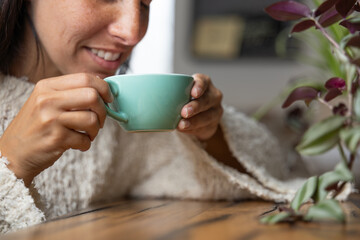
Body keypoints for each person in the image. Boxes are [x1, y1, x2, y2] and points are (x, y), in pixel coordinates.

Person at [0, 0, 307, 234]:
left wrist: (211, 131)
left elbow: (275, 164)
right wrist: (11, 161)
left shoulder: (117, 121)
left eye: (146, 4)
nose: (133, 32)